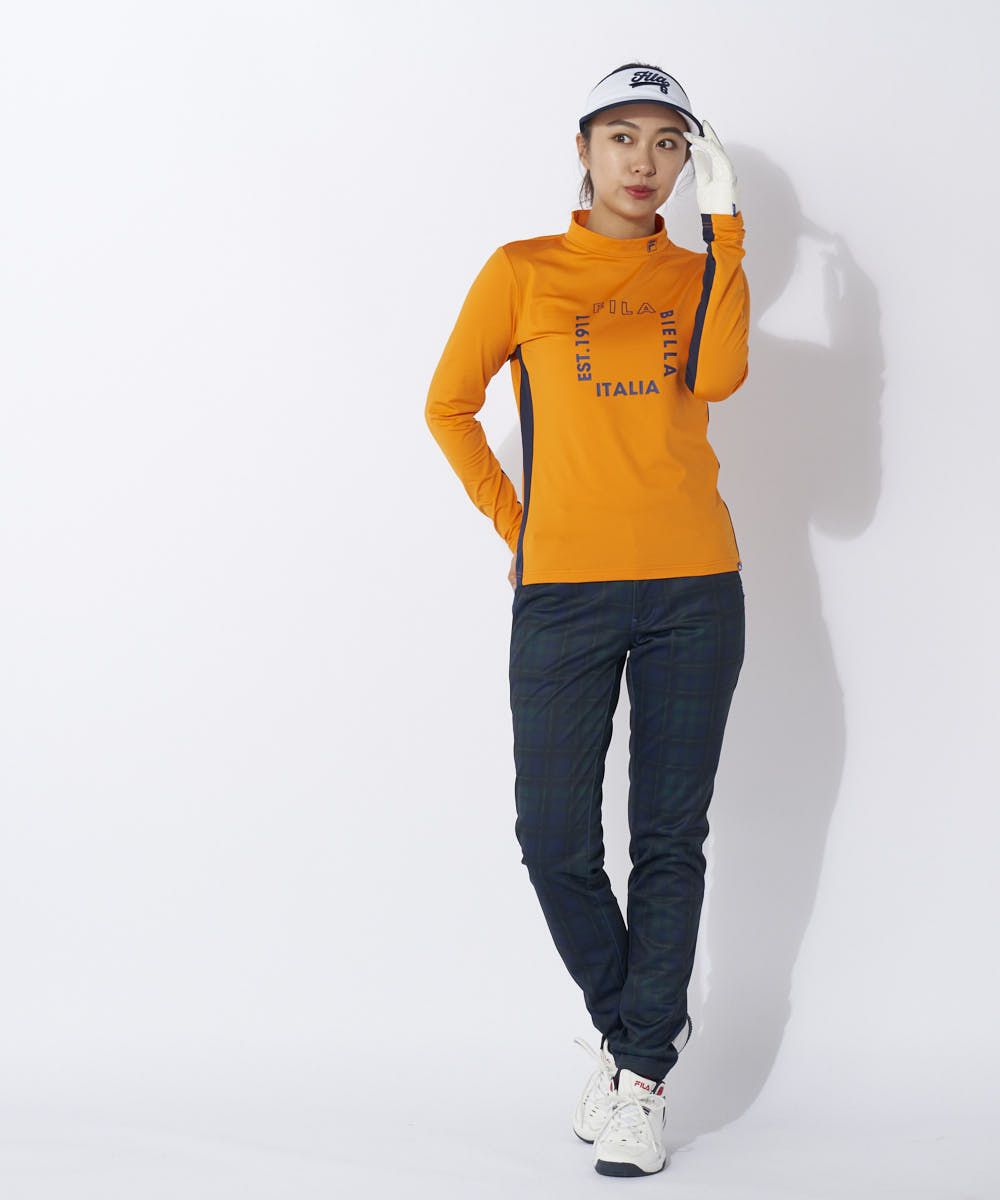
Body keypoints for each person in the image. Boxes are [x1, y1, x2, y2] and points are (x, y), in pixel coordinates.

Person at [424, 62, 749, 1178]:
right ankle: (631, 1033)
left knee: (668, 837)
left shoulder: (697, 273)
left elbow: (719, 378)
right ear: (582, 148)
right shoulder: (523, 270)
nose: (643, 162)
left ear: (689, 161)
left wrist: (728, 237)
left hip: (694, 587)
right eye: (622, 136)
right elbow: (448, 405)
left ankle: (641, 1077)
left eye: (668, 143)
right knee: (554, 840)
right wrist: (519, 525)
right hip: (563, 591)